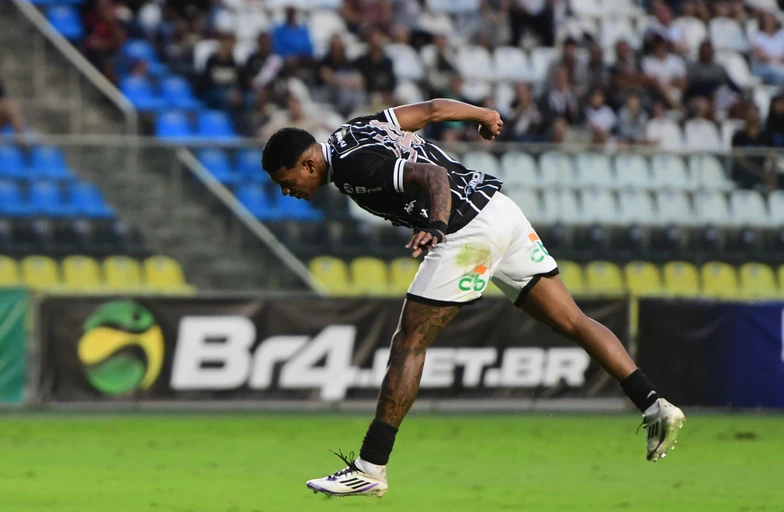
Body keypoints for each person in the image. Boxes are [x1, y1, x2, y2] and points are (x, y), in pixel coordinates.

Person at [260, 99, 685, 498]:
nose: (287, 190)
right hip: (501, 211)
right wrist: (482, 113)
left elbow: (433, 177)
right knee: (571, 319)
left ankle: (370, 468)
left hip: (465, 231)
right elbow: (429, 110)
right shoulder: (354, 130)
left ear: (309, 163)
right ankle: (654, 404)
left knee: (410, 342)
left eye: (286, 181)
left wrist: (438, 225)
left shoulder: (354, 168)